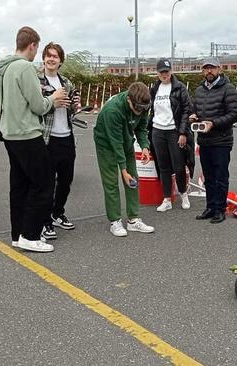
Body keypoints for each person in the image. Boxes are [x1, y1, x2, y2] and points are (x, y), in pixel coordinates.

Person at [0, 26, 68, 253]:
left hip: (10, 134)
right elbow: (38, 105)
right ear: (33, 45)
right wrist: (52, 99)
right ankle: (31, 235)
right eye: (37, 49)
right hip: (28, 134)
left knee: (19, 186)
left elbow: (0, 100)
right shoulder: (25, 68)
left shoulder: (4, 68)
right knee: (44, 183)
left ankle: (18, 234)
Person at [93, 82, 155, 237]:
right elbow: (116, 142)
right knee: (111, 182)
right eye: (138, 109)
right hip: (106, 143)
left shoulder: (143, 104)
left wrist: (145, 147)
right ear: (129, 100)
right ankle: (115, 221)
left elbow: (141, 128)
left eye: (144, 110)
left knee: (133, 180)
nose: (141, 112)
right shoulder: (113, 110)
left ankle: (134, 220)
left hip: (126, 141)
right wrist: (123, 170)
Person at [38, 42, 81, 240]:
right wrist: (53, 103)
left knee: (66, 180)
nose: (51, 59)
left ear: (61, 61)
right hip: (48, 138)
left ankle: (57, 213)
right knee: (47, 182)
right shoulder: (37, 80)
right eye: (48, 55)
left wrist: (75, 105)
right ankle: (44, 221)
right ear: (44, 58)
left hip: (66, 136)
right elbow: (36, 107)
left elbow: (73, 106)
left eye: (55, 56)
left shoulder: (66, 82)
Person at [190, 56, 237, 224]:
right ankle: (210, 207)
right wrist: (193, 117)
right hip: (204, 141)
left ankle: (220, 209)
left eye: (212, 68)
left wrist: (214, 123)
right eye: (206, 68)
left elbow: (234, 114)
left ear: (219, 69)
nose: (209, 71)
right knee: (209, 177)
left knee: (220, 176)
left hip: (222, 141)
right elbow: (195, 110)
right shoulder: (199, 91)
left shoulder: (228, 88)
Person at [148, 58, 193, 212]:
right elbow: (152, 110)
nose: (164, 74)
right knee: (163, 167)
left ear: (171, 71)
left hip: (174, 131)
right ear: (157, 73)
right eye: (161, 72)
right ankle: (166, 198)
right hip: (157, 131)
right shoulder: (155, 88)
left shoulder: (180, 88)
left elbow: (187, 110)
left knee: (179, 166)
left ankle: (183, 194)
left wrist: (182, 132)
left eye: (166, 71)